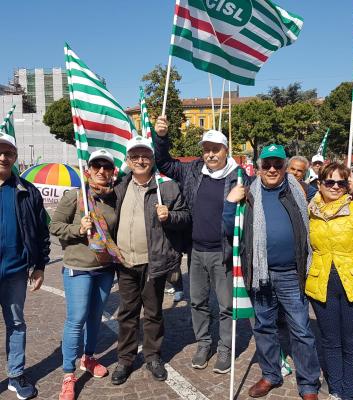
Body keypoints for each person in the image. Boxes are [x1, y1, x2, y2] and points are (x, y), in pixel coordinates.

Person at [153, 118, 251, 374]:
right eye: (206, 149)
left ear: (225, 150)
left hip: (224, 253)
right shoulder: (193, 170)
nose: (210, 154)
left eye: (215, 149)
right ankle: (203, 343)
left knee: (226, 305)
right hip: (196, 251)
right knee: (197, 302)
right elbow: (162, 163)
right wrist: (161, 138)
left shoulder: (239, 177)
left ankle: (225, 348)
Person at [223, 144, 320, 400]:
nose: (273, 169)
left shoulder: (299, 191)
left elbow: (331, 199)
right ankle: (271, 375)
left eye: (278, 164)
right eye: (267, 164)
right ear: (259, 168)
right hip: (259, 274)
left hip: (291, 274)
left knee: (301, 330)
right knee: (264, 327)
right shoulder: (248, 194)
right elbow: (228, 229)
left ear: (285, 167)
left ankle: (309, 384)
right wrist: (230, 203)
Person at [111, 135, 190, 385]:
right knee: (127, 313)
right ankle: (124, 359)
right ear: (128, 161)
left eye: (145, 155)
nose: (141, 160)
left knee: (154, 312)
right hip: (125, 261)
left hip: (153, 261)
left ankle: (153, 356)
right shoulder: (119, 186)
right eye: (135, 156)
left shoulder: (167, 187)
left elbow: (185, 216)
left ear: (152, 159)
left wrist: (171, 217)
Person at [305, 162, 353, 400]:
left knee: (351, 342)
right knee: (330, 340)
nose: (336, 187)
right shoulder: (311, 210)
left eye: (342, 182)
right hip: (322, 283)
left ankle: (348, 392)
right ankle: (336, 388)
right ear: (320, 184)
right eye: (330, 182)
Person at [50, 149, 122, 400]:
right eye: (96, 166)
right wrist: (78, 229)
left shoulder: (113, 198)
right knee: (77, 319)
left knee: (94, 317)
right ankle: (68, 374)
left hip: (104, 268)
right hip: (78, 268)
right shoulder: (75, 195)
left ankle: (88, 359)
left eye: (106, 167)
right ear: (88, 169)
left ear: (113, 172)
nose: (101, 171)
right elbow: (55, 226)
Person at [0, 133, 50, 400]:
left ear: (15, 158)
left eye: (8, 152)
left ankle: (16, 375)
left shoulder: (27, 191)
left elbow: (42, 232)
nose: (3, 156)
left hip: (15, 273)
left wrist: (40, 265)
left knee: (16, 324)